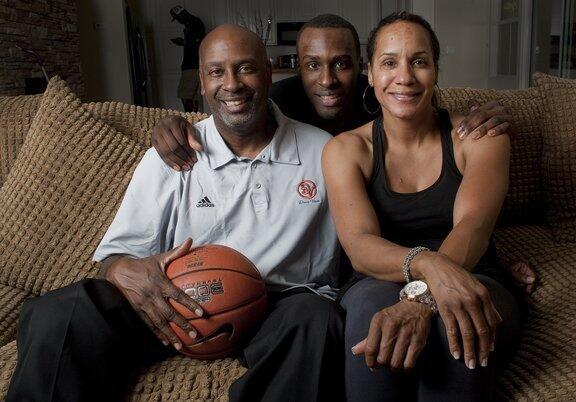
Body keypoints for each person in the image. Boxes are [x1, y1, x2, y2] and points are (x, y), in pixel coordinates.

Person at [7, 25, 344, 402]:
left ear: (268, 72)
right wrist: (122, 269)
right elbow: (114, 259)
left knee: (317, 320)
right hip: (178, 303)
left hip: (278, 305)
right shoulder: (172, 154)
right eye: (217, 72)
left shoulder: (324, 152)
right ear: (201, 82)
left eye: (245, 68)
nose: (231, 84)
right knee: (62, 311)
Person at [150, 14, 537, 294]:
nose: (327, 80)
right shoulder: (279, 106)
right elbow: (228, 111)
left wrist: (490, 112)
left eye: (341, 64)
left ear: (363, 69)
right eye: (311, 65)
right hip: (345, 258)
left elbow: (451, 183)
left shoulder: (392, 100)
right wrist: (174, 124)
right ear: (292, 70)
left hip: (398, 255)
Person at [321, 12, 522, 401]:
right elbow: (360, 245)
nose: (405, 77)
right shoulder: (345, 150)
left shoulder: (480, 138)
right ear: (370, 73)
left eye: (419, 61)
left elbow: (473, 226)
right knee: (369, 313)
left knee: (457, 318)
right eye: (389, 62)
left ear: (436, 70)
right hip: (377, 280)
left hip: (475, 274)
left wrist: (424, 302)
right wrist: (427, 269)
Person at [171, 6, 206, 112]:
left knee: (185, 94)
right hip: (194, 64)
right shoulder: (191, 23)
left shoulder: (195, 23)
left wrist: (183, 42)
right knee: (194, 95)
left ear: (181, 14)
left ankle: (189, 117)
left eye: (177, 18)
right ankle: (194, 119)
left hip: (191, 66)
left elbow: (199, 42)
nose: (178, 21)